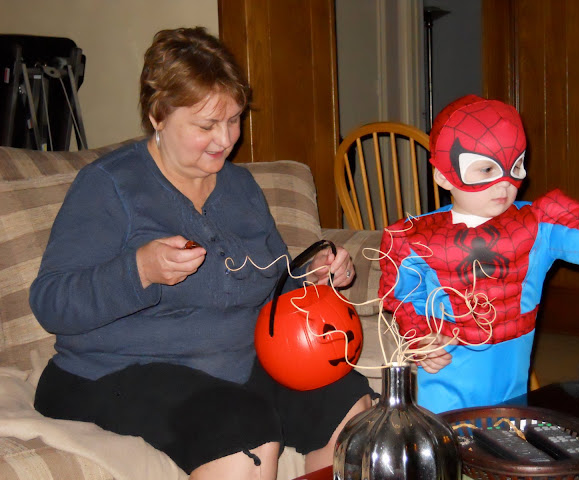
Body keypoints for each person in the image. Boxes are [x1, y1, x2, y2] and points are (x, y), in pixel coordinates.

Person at [30, 27, 373, 480]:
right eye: (206, 125)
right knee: (242, 432)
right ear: (158, 115)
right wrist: (139, 271)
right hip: (116, 369)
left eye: (234, 120)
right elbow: (51, 302)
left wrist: (312, 276)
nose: (225, 139)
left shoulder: (240, 188)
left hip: (238, 361)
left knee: (346, 400)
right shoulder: (109, 185)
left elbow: (270, 285)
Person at [378, 94, 579, 414]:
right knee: (450, 440)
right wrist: (421, 339)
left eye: (515, 166)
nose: (504, 184)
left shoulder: (539, 226)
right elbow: (404, 298)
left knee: (508, 431)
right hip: (447, 397)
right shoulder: (414, 239)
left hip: (512, 393)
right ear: (444, 176)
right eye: (487, 169)